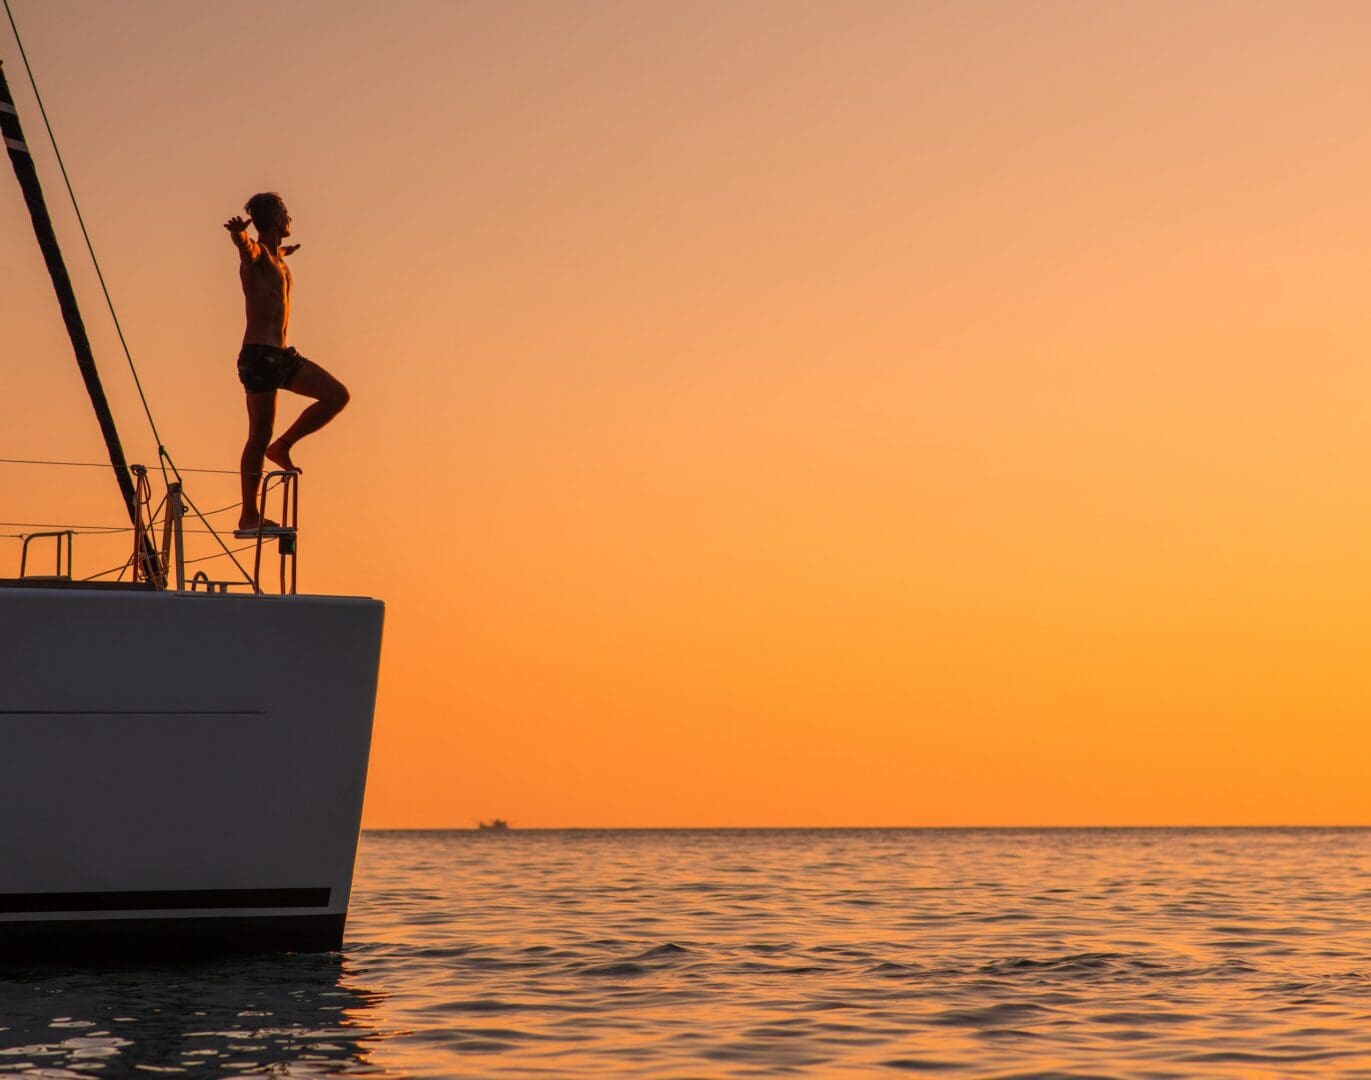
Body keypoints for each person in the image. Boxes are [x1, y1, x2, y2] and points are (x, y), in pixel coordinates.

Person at [224, 192, 349, 535]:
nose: (291, 216)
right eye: (286, 212)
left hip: (280, 355)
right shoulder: (259, 256)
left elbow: (272, 254)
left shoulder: (276, 258)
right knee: (257, 436)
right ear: (277, 219)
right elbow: (248, 250)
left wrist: (283, 252)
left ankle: (284, 446)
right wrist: (239, 236)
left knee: (337, 395)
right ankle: (249, 514)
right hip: (259, 357)